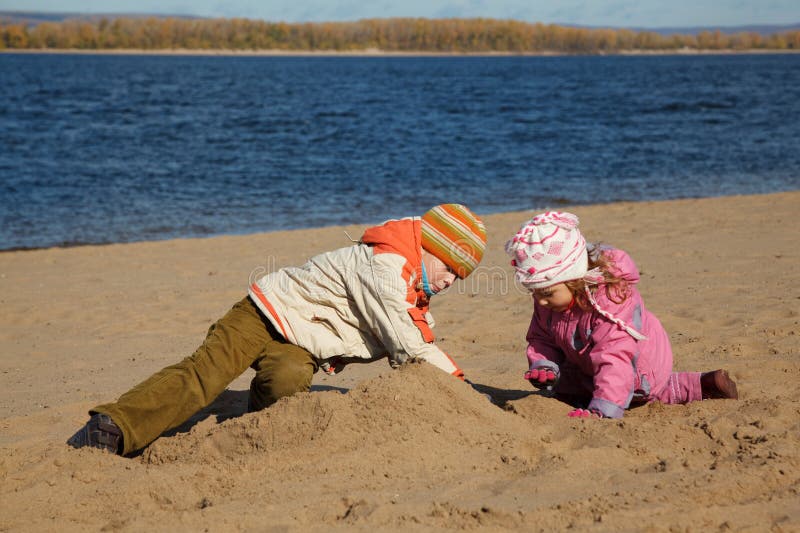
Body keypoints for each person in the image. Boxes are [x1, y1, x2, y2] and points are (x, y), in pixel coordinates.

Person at [68, 204, 487, 455]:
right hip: (261, 313)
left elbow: (417, 332)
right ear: (431, 247)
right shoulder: (387, 265)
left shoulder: (412, 283)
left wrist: (454, 379)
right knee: (203, 376)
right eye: (451, 269)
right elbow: (408, 344)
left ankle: (257, 421)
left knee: (288, 377)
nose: (452, 280)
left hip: (299, 340)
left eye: (460, 277)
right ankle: (113, 427)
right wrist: (463, 391)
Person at [505, 211, 738, 419]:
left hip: (637, 364)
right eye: (533, 292)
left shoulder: (609, 301)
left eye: (547, 293)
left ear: (574, 278)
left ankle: (691, 387)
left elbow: (614, 358)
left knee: (642, 392)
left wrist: (602, 410)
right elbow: (541, 338)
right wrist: (543, 364)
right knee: (567, 386)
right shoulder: (549, 302)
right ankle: (703, 383)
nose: (541, 300)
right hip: (586, 360)